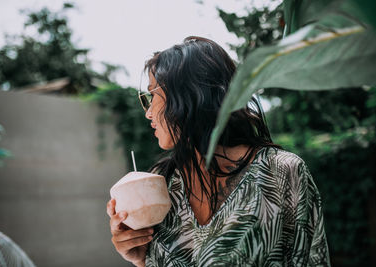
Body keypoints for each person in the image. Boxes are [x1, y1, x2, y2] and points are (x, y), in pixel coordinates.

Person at [107, 36, 330, 267]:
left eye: (153, 95)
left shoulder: (281, 172)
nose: (148, 113)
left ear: (190, 94)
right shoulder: (161, 183)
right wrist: (140, 257)